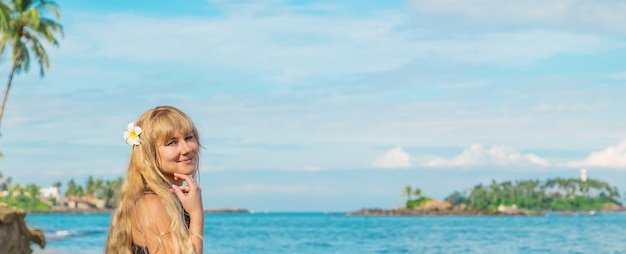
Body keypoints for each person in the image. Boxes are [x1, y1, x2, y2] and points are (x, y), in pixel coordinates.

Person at [105, 106, 204, 254]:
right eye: (172, 142)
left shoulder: (165, 199)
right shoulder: (152, 203)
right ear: (150, 154)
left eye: (189, 137)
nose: (186, 149)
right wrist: (196, 214)